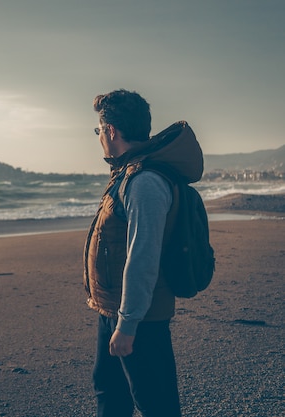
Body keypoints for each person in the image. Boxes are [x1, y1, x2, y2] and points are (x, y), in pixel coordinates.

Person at [83, 89, 204, 416]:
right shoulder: (128, 173)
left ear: (110, 131)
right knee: (110, 394)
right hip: (113, 308)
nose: (99, 138)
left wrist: (128, 324)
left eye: (98, 131)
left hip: (140, 318)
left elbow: (143, 258)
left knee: (156, 404)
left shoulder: (144, 182)